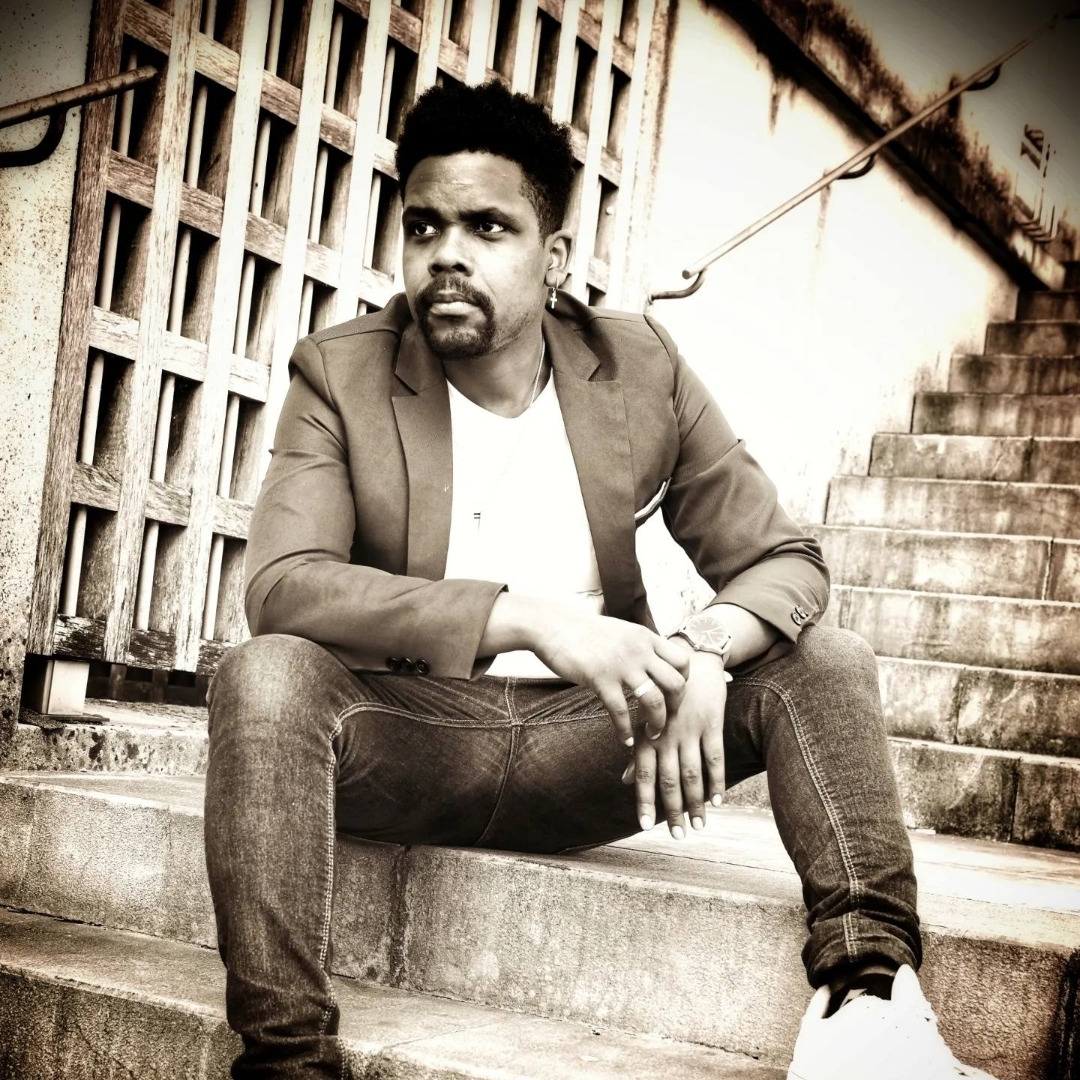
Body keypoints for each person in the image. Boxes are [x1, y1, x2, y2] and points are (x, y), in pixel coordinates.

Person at [204, 80, 996, 1080]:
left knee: (825, 661)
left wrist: (703, 648)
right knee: (264, 674)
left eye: (488, 227)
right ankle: (287, 1062)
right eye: (424, 226)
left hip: (596, 750)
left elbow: (782, 558)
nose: (446, 253)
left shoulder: (638, 366)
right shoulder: (340, 371)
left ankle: (869, 1004)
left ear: (556, 257)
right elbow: (286, 587)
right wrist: (526, 618)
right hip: (407, 741)